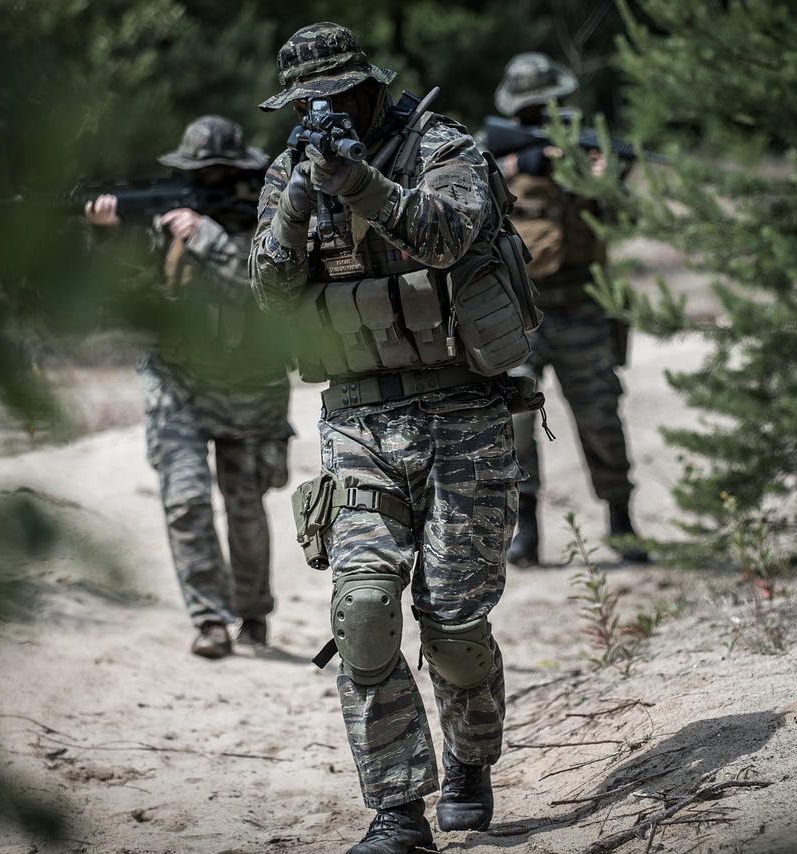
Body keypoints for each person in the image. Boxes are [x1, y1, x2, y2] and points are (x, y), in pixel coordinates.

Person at [249, 22, 536, 854]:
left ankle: (472, 758)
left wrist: (360, 182)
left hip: (463, 416)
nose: (324, 113)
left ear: (370, 88)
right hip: (359, 422)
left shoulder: (441, 146)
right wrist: (303, 201)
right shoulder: (287, 174)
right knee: (364, 611)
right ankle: (397, 808)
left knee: (450, 623)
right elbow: (270, 297)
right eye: (307, 104)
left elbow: (449, 234)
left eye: (337, 97)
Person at [84, 116, 295, 660]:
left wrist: (205, 236)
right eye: (204, 173)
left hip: (251, 385)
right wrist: (107, 236)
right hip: (177, 380)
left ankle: (252, 614)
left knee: (245, 507)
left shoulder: (274, 221)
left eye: (223, 173)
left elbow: (263, 293)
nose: (214, 183)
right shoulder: (169, 222)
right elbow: (131, 289)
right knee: (186, 502)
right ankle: (210, 621)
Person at [484, 52, 650, 567]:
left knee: (601, 417)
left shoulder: (586, 151)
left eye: (549, 106)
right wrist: (520, 166)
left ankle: (621, 521)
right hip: (518, 311)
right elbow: (464, 213)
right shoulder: (489, 155)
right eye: (533, 110)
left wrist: (604, 179)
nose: (542, 115)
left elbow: (627, 221)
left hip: (584, 306)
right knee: (514, 422)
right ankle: (526, 527)